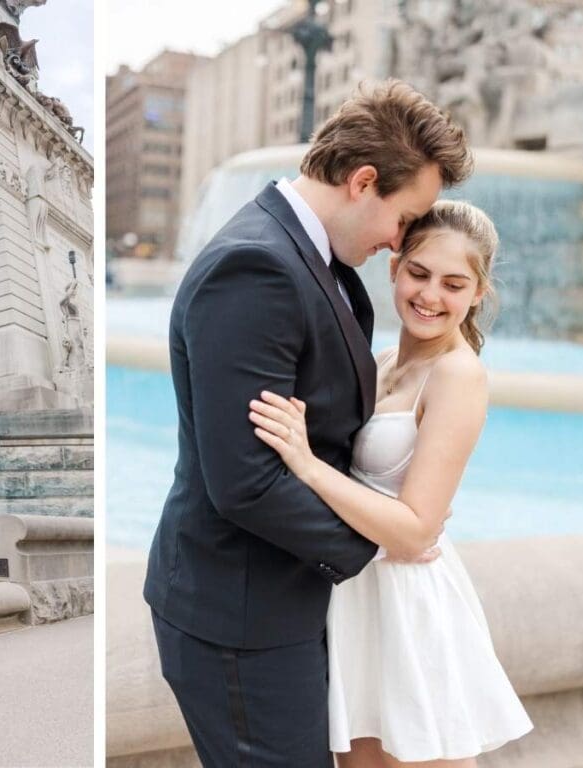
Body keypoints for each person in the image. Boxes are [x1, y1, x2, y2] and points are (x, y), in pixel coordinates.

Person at [143, 79, 474, 767]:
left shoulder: (315, 262)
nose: (398, 242)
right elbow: (245, 482)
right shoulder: (257, 265)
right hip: (239, 618)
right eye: (404, 217)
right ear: (362, 181)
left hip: (284, 605)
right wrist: (383, 549)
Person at [249, 201, 532, 765]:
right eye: (420, 274)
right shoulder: (378, 361)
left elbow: (414, 531)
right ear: (395, 269)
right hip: (356, 595)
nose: (430, 296)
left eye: (454, 284)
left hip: (408, 604)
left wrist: (307, 465)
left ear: (478, 292)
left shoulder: (458, 374)